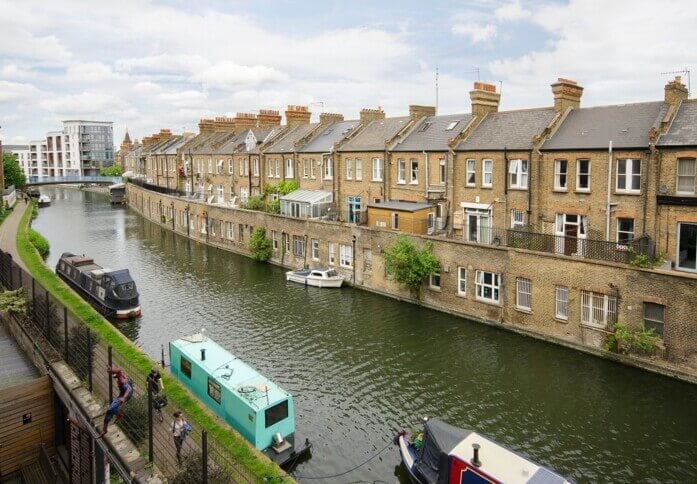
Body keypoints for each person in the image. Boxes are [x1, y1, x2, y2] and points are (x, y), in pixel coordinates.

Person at [99, 365, 133, 437]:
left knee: (110, 409)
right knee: (112, 408)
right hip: (122, 394)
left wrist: (124, 398)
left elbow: (129, 389)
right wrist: (110, 370)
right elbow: (116, 371)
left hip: (125, 396)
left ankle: (105, 429)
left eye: (114, 375)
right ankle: (119, 415)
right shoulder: (120, 374)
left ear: (118, 374)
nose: (114, 376)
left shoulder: (121, 380)